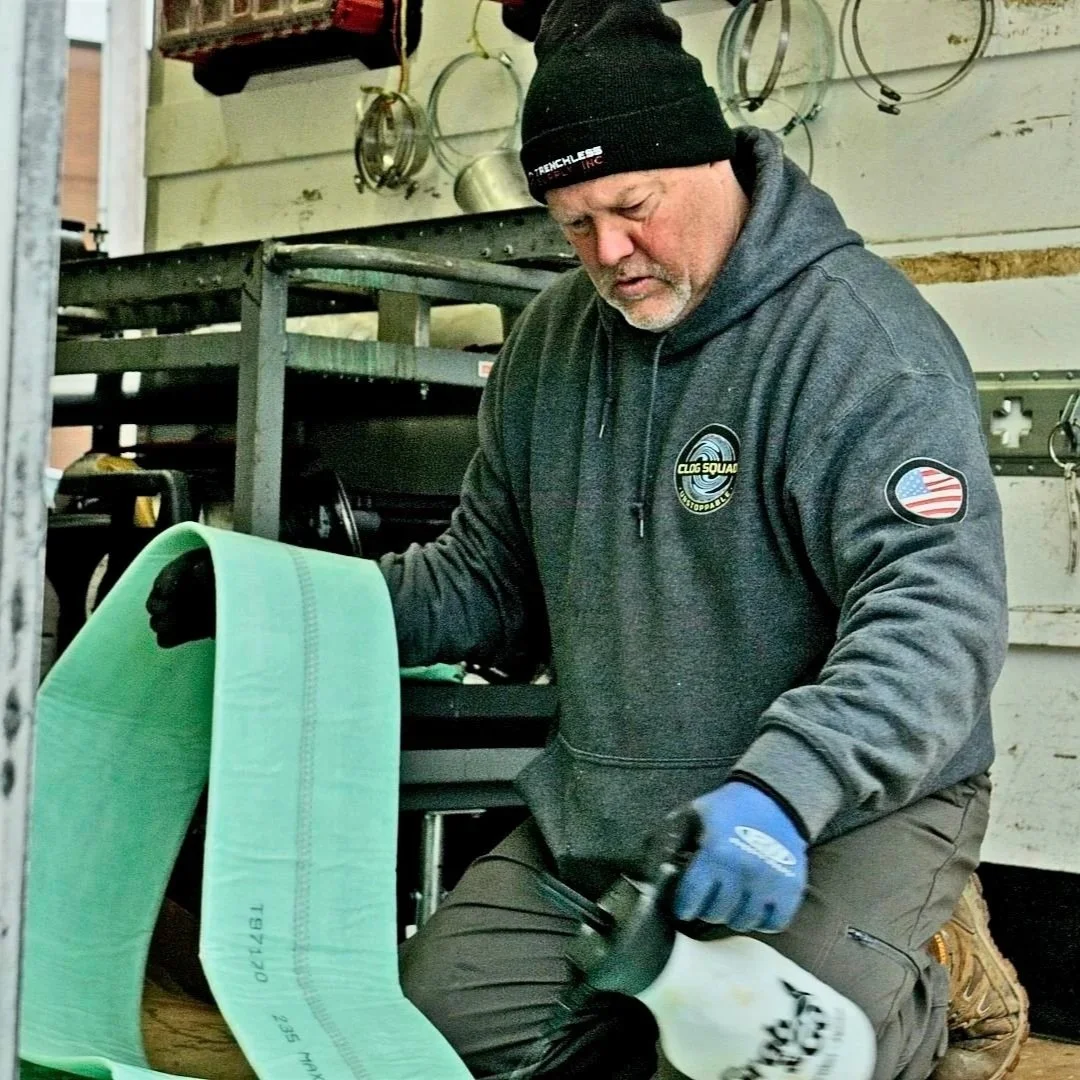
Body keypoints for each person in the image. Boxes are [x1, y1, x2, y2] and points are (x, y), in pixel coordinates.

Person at [147, 1, 1030, 1077]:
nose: (609, 252)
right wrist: (272, 605)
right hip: (610, 812)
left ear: (711, 163)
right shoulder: (551, 347)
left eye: (633, 207)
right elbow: (478, 585)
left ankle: (927, 997)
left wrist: (783, 789)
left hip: (827, 812)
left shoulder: (861, 343)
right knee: (425, 1038)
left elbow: (934, 620)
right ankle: (660, 1011)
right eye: (573, 222)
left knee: (770, 1055)